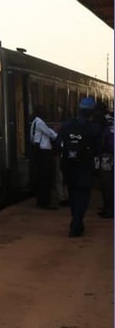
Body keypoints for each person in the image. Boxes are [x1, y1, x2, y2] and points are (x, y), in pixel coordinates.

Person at [58, 97, 101, 237]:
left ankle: (77, 222)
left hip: (69, 166)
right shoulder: (94, 128)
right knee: (83, 197)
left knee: (73, 196)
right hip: (85, 167)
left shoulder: (66, 125)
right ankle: (76, 224)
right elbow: (98, 149)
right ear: (92, 112)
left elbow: (58, 143)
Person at [30, 105, 58, 209]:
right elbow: (50, 133)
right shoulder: (40, 123)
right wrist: (56, 134)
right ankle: (45, 202)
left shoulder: (34, 122)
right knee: (46, 177)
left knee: (42, 177)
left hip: (38, 151)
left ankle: (41, 200)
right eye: (44, 111)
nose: (46, 113)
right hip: (44, 152)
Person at [98, 111, 113, 218]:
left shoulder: (106, 130)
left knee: (107, 184)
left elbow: (101, 143)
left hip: (107, 157)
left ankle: (109, 209)